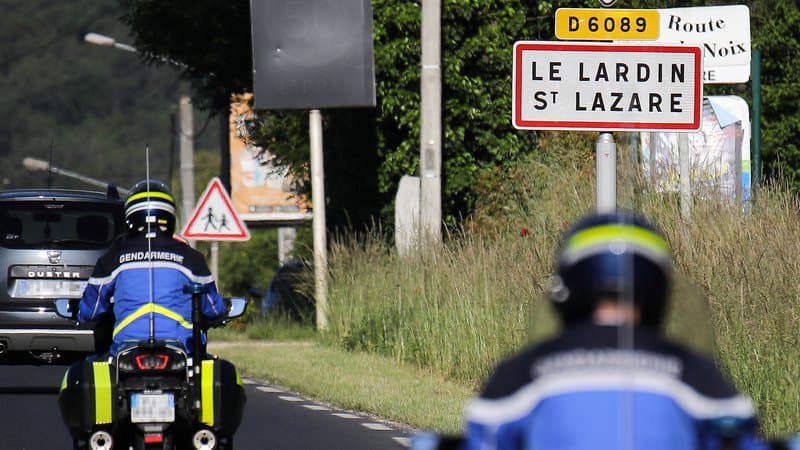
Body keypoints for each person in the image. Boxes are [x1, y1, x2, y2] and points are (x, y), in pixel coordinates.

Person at [417, 211, 772, 450]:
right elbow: (740, 435)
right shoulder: (695, 374)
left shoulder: (522, 374)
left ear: (566, 288)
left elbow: (483, 436)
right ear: (658, 289)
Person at [78, 179, 227, 356]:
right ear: (170, 218)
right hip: (183, 351)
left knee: (86, 370)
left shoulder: (111, 260)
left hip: (124, 351)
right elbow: (214, 310)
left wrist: (78, 313)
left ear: (130, 219)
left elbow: (91, 311)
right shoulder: (192, 259)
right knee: (218, 371)